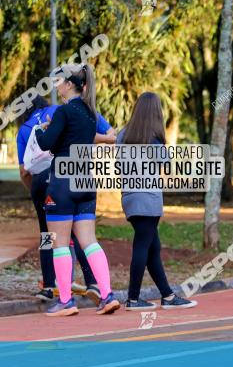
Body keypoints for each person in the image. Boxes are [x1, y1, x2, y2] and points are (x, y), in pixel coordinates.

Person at [35, 64, 120, 316]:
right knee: (90, 241)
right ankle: (107, 295)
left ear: (70, 84)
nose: (56, 85)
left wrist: (42, 129)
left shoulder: (63, 112)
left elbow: (46, 143)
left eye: (59, 80)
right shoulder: (90, 113)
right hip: (85, 180)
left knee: (59, 243)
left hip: (61, 182)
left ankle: (66, 301)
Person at [17, 95, 118, 303]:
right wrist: (106, 139)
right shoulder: (62, 110)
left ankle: (49, 285)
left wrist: (35, 193)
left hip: (44, 181)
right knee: (80, 231)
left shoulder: (24, 130)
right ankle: (93, 283)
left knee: (48, 236)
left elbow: (24, 171)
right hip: (75, 173)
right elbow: (103, 131)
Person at [118, 93, 196, 311]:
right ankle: (133, 298)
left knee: (153, 246)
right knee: (143, 246)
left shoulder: (123, 134)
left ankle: (168, 296)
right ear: (155, 114)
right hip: (148, 199)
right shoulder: (153, 139)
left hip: (129, 197)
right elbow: (167, 166)